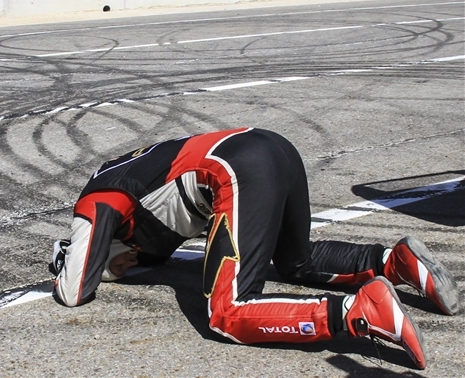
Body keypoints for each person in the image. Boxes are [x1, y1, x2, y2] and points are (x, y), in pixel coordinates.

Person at [50, 128, 459, 370]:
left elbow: (75, 291)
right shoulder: (134, 187)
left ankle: (356, 313)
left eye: (109, 256)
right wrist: (121, 261)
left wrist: (75, 261)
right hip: (270, 147)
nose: (123, 264)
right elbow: (149, 251)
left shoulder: (97, 200)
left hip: (235, 169)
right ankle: (395, 263)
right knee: (294, 261)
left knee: (227, 314)